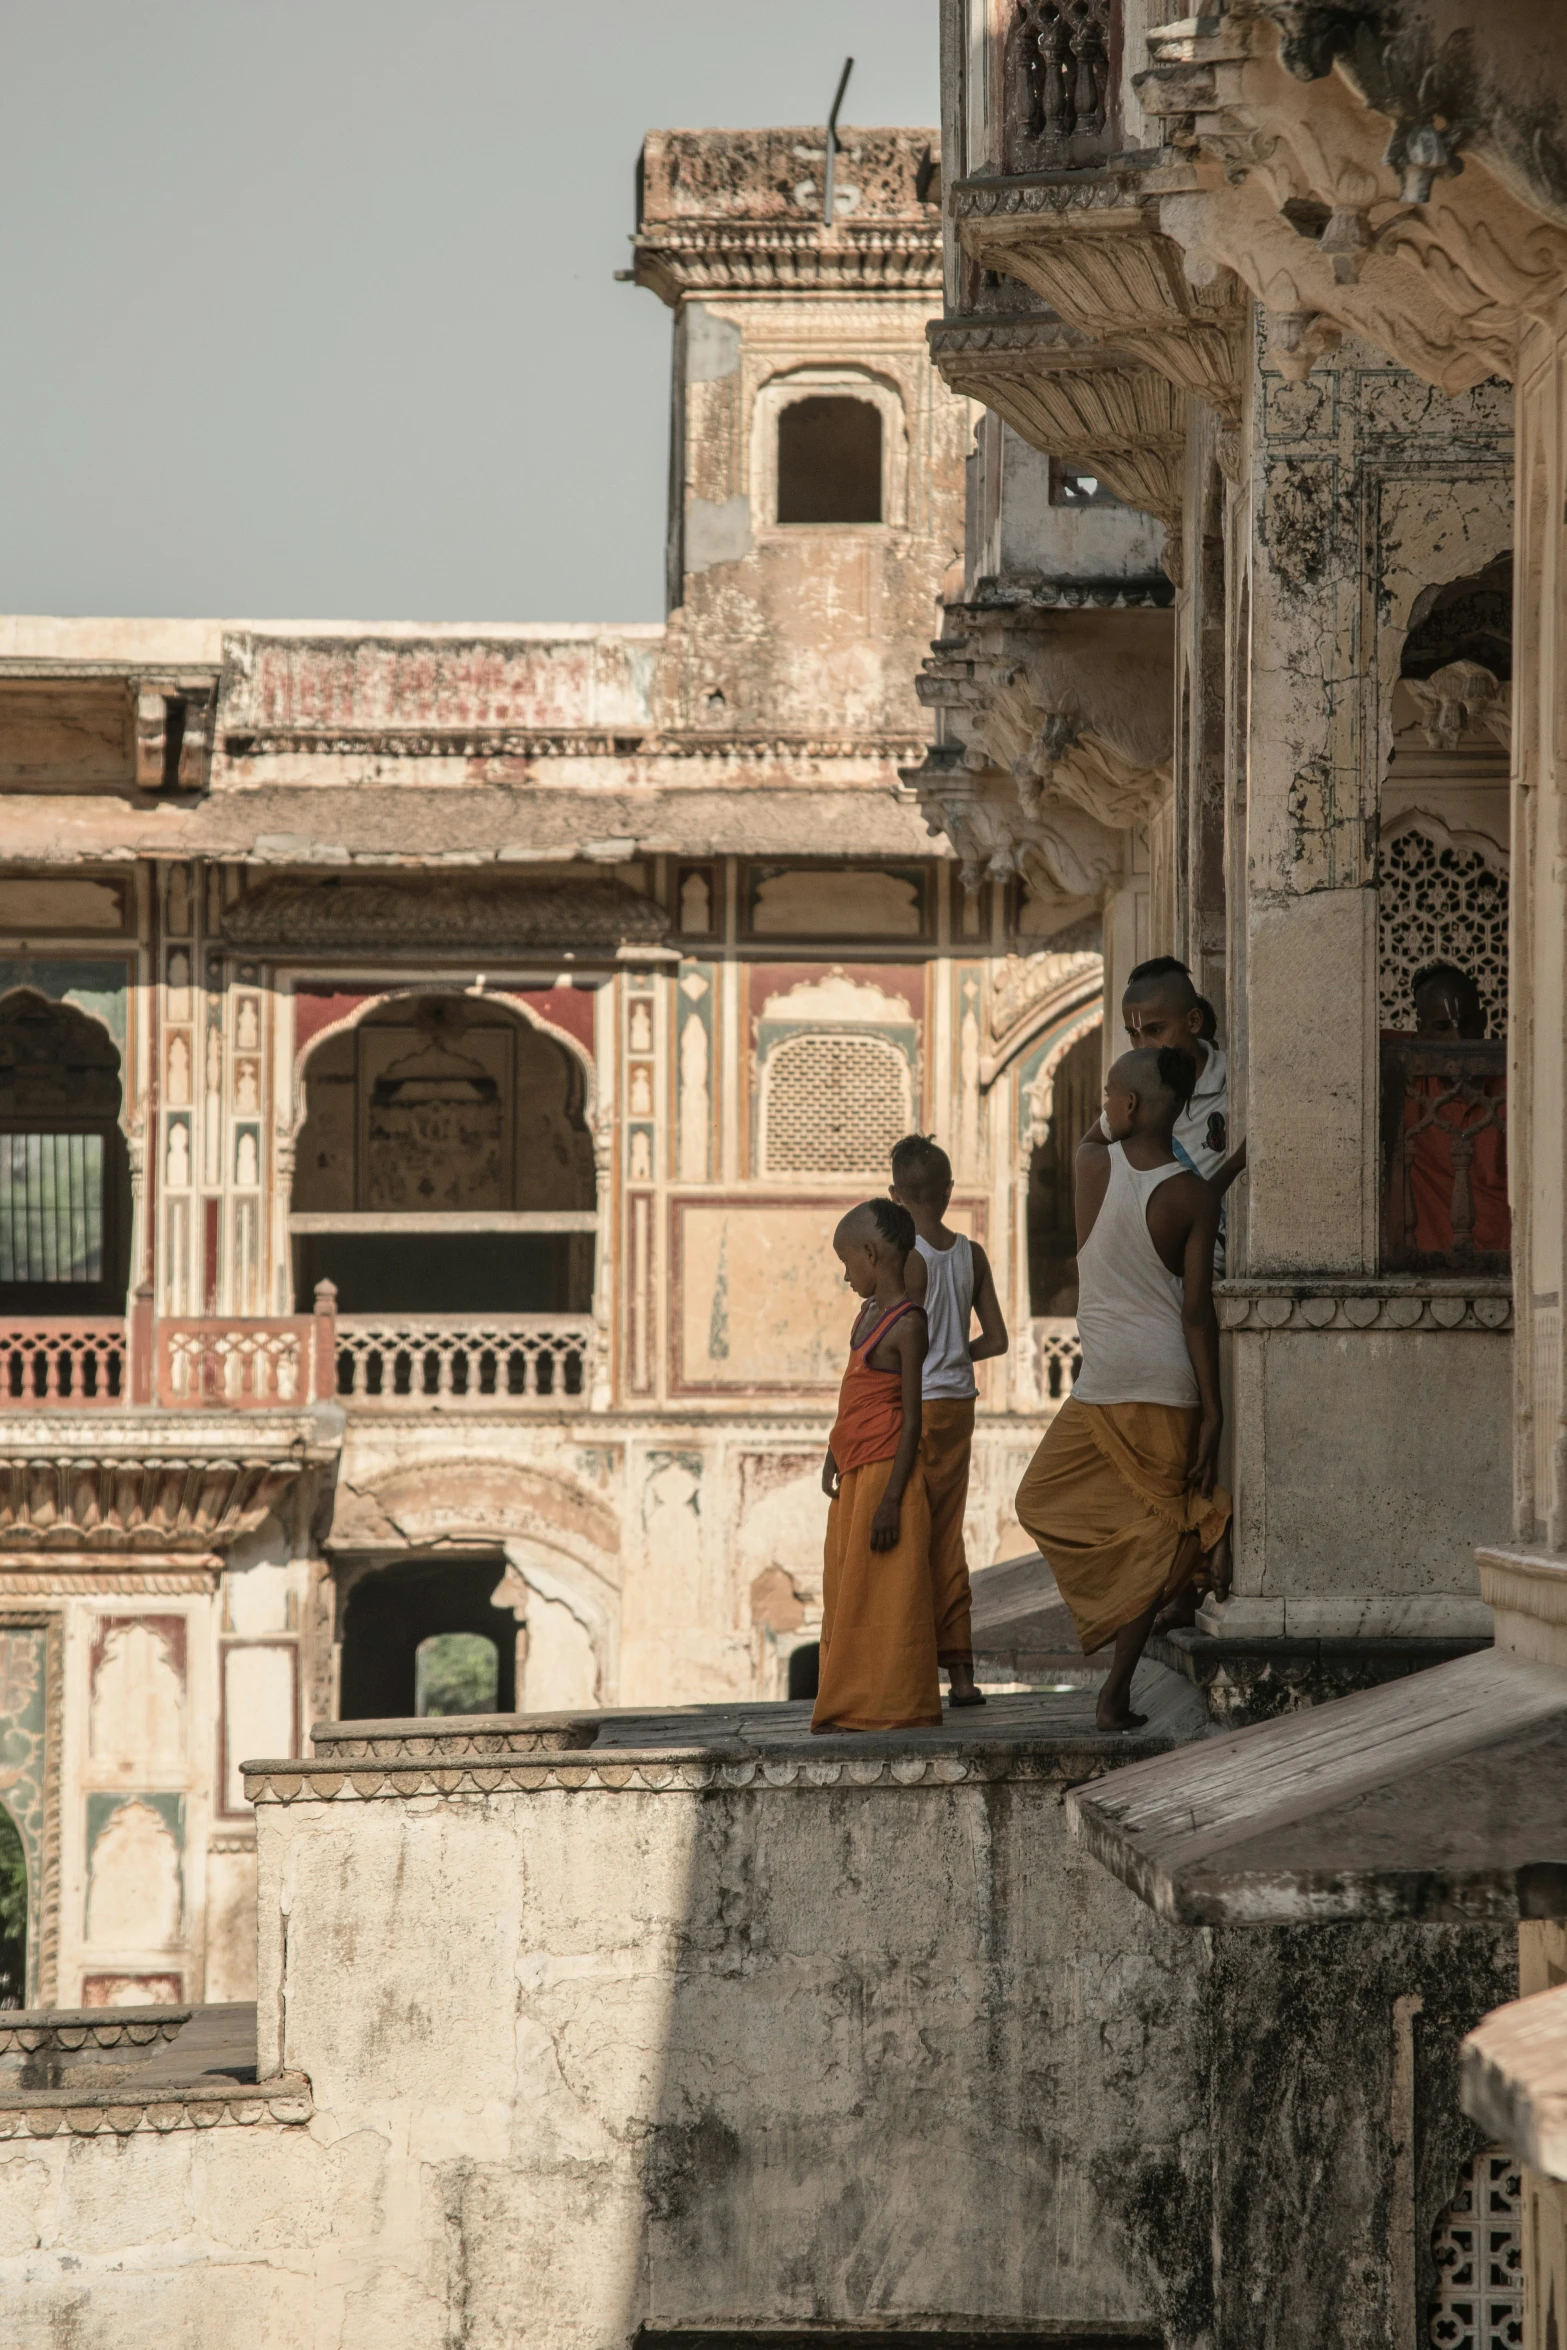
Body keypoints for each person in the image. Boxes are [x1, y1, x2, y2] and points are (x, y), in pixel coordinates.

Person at [1014, 1046, 1233, 1731]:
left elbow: (1092, 1132)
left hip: (1123, 1379)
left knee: (1142, 1530)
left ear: (1128, 1107)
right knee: (1057, 1504)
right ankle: (1181, 1562)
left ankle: (1114, 1693)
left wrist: (1113, 1114)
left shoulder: (1089, 1164)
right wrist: (1212, 1409)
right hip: (1153, 1380)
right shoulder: (1191, 1193)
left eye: (1112, 1094)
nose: (1104, 1105)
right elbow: (1195, 1313)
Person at [812, 1199, 941, 1734]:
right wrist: (832, 1452)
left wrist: (892, 1498)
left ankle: (895, 1705)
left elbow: (913, 1421)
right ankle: (849, 1701)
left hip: (890, 1476)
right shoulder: (865, 1317)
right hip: (857, 1471)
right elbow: (852, 1394)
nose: (846, 1277)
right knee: (848, 1590)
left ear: (870, 1254)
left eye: (848, 1264)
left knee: (890, 1597)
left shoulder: (908, 1323)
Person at [889, 1134, 1009, 1709]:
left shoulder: (902, 1260)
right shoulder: (971, 1254)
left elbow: (898, 1347)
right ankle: (961, 1679)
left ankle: (907, 1677)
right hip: (960, 1404)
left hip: (915, 1408)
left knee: (909, 1535)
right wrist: (958, 1352)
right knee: (948, 1535)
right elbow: (999, 1340)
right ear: (948, 1192)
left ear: (893, 1195)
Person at [1400, 961, 1509, 1257]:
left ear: (1485, 1020)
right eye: (1442, 1027)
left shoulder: (1514, 1089)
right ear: (1421, 1033)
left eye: (1468, 1022)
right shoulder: (1403, 1077)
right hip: (1428, 1267)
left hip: (1513, 1265)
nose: (1458, 1039)